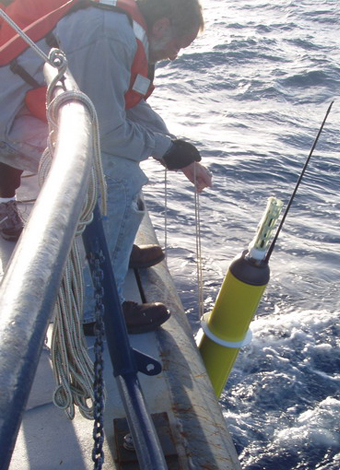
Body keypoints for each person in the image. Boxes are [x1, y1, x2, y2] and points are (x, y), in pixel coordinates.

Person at [0, 0, 213, 333]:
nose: (175, 54)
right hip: (8, 120)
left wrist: (179, 154)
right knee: (118, 175)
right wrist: (165, 149)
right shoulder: (108, 34)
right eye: (177, 45)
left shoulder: (122, 28)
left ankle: (113, 250)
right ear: (161, 26)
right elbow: (106, 132)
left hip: (34, 110)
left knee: (123, 162)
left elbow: (128, 105)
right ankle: (93, 310)